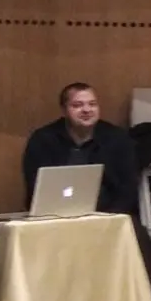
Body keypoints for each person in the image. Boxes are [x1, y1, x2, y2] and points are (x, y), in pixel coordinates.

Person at [21, 83, 139, 215]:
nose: (87, 110)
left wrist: (111, 216)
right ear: (64, 110)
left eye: (92, 104)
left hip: (107, 214)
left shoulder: (117, 138)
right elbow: (35, 187)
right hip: (53, 214)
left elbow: (128, 187)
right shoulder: (43, 139)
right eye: (77, 105)